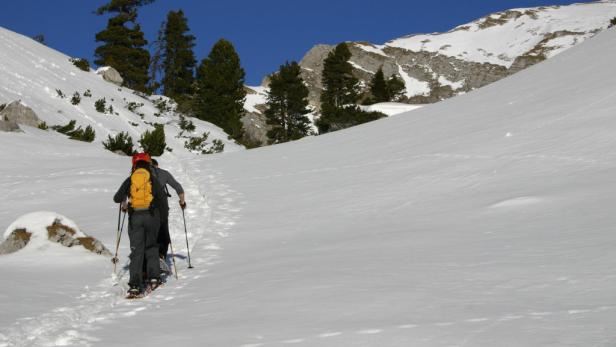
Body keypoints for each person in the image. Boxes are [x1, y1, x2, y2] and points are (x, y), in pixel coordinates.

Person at [113, 153, 166, 297]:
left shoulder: (130, 179)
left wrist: (126, 198)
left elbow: (116, 198)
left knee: (137, 251)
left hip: (135, 217)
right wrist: (162, 219)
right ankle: (154, 278)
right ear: (148, 164)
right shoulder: (152, 179)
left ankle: (135, 285)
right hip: (152, 216)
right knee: (151, 247)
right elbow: (162, 199)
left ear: (134, 165)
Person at [150, 158, 186, 262]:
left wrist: (125, 206)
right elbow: (178, 187)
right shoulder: (164, 173)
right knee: (163, 232)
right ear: (157, 165)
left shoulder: (140, 174)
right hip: (162, 208)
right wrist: (182, 202)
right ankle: (161, 256)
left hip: (144, 208)